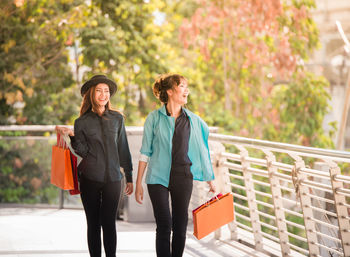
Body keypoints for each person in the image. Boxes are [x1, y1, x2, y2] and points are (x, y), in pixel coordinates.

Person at [135, 74, 216, 257]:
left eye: (187, 86)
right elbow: (145, 152)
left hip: (183, 176)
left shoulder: (193, 120)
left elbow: (202, 148)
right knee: (164, 225)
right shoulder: (153, 118)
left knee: (180, 226)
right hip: (157, 177)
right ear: (170, 91)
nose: (186, 90)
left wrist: (210, 179)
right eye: (182, 86)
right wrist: (139, 182)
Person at [56, 74, 133, 257]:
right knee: (93, 224)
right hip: (89, 178)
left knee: (109, 223)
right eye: (99, 91)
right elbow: (82, 151)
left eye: (106, 91)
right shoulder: (81, 122)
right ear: (91, 94)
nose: (103, 95)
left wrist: (129, 176)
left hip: (114, 179)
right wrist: (73, 136)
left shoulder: (117, 119)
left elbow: (123, 147)